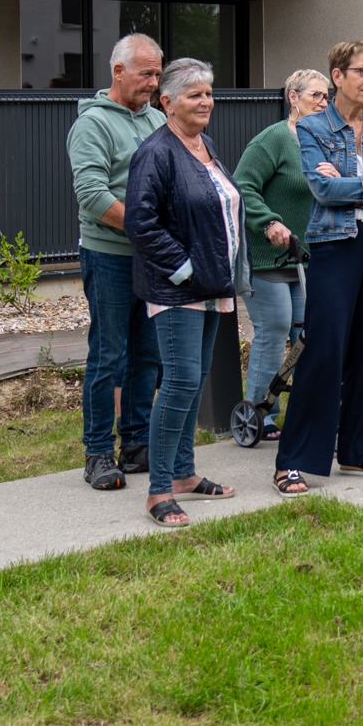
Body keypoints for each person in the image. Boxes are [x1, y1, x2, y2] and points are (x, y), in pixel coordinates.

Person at [276, 40, 363, 492]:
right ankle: (294, 459)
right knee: (325, 347)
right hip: (336, 245)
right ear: (337, 76)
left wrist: (356, 186)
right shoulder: (313, 127)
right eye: (361, 71)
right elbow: (322, 191)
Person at [121, 60, 240, 528]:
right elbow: (140, 221)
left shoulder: (203, 143)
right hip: (178, 289)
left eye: (208, 93)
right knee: (180, 382)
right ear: (166, 102)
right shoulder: (157, 152)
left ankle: (185, 474)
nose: (205, 101)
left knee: (198, 377)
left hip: (212, 283)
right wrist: (183, 268)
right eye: (193, 95)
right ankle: (158, 491)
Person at [66, 32, 164, 491]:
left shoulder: (156, 120)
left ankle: (137, 444)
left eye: (158, 74)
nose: (153, 82)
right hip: (109, 257)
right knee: (110, 355)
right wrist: (147, 231)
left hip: (151, 260)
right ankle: (98, 452)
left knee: (148, 356)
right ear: (118, 71)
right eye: (146, 73)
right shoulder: (92, 125)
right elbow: (92, 195)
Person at [234, 86, 315, 442]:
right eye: (315, 94)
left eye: (327, 95)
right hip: (268, 256)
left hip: (305, 258)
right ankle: (259, 414)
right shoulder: (273, 140)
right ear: (293, 96)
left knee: (307, 333)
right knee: (276, 327)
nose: (323, 101)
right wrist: (269, 221)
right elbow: (242, 187)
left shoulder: (322, 141)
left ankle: (306, 408)